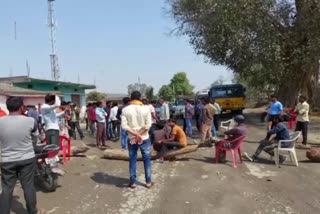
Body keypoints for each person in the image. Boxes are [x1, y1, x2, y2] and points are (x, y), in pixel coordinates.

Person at [0, 97, 39, 214]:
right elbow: (35, 137)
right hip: (27, 158)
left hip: (7, 159)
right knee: (28, 186)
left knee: (7, 188)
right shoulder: (30, 121)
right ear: (21, 107)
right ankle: (32, 211)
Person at [121, 91, 152, 189]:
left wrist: (135, 134)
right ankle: (148, 182)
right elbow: (148, 125)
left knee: (132, 159)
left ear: (131, 98)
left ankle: (133, 182)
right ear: (140, 97)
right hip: (145, 138)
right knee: (147, 159)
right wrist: (140, 134)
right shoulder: (146, 108)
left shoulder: (125, 109)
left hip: (132, 138)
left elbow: (124, 126)